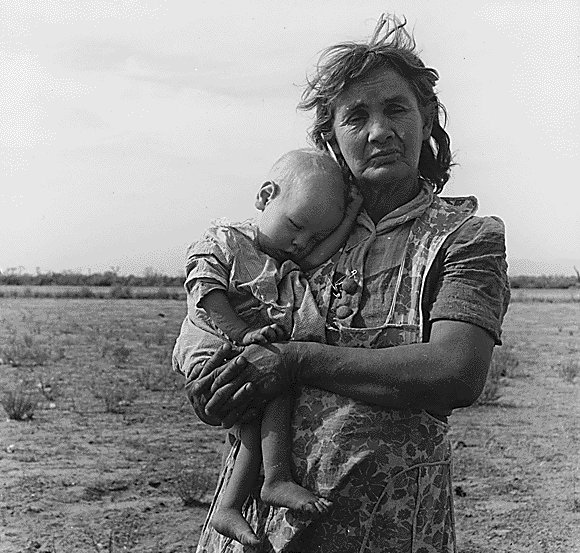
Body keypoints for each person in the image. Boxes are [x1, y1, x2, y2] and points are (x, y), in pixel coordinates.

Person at [173, 14, 510, 553]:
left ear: (427, 119)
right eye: (356, 116)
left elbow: (456, 371)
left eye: (396, 108)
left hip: (392, 525)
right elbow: (222, 321)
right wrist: (218, 390)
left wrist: (296, 359)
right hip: (261, 534)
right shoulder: (299, 233)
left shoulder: (465, 237)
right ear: (331, 138)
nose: (379, 131)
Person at [176, 149, 361, 546]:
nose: (300, 243)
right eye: (296, 226)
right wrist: (242, 333)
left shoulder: (282, 258)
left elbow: (321, 253)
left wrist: (349, 218)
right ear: (265, 196)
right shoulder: (226, 240)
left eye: (313, 236)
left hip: (252, 348)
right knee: (255, 400)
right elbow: (204, 292)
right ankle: (249, 493)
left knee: (273, 391)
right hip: (213, 344)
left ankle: (263, 486)